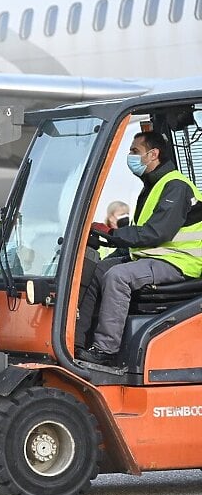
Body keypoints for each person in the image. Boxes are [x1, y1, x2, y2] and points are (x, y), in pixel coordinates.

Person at [76, 132, 202, 366]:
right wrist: (110, 239)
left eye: (135, 151)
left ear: (153, 154)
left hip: (180, 262)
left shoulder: (176, 186)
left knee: (118, 276)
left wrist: (113, 234)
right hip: (158, 256)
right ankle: (76, 342)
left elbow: (157, 233)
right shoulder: (153, 186)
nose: (130, 156)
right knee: (98, 269)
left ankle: (106, 350)